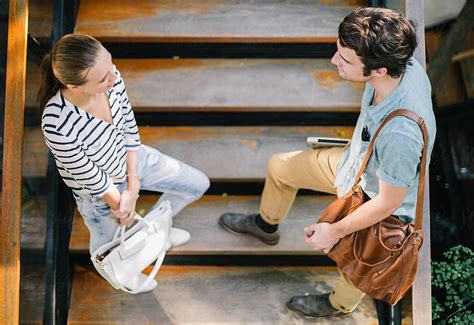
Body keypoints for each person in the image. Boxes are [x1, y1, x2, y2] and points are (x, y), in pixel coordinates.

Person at [219, 7, 436, 318]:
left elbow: (389, 202)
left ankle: (339, 306)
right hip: (355, 166)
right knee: (280, 167)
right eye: (338, 51)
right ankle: (266, 226)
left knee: (358, 265)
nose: (334, 61)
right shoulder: (403, 64)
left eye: (345, 59)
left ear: (379, 71)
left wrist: (335, 231)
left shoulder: (401, 135)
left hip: (375, 201)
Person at [39, 34, 210, 293]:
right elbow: (90, 176)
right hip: (99, 194)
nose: (114, 77)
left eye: (110, 65)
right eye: (103, 78)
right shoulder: (56, 123)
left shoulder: (111, 76)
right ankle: (120, 273)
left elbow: (129, 129)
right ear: (74, 86)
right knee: (107, 246)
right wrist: (121, 203)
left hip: (134, 159)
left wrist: (133, 185)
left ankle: (155, 233)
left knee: (196, 184)